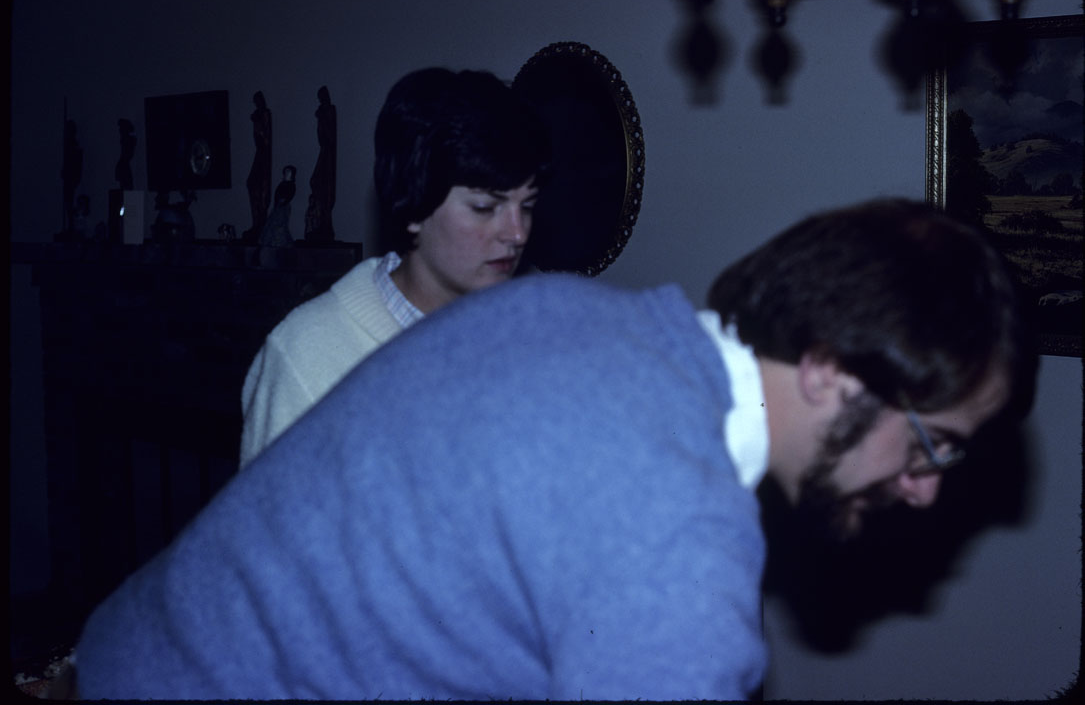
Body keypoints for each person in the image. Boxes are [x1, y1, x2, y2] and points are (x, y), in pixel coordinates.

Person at [73, 199, 1035, 700]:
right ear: (829, 369)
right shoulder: (678, 548)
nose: (923, 491)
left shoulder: (559, 306)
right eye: (931, 446)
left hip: (122, 654)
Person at [239, 67, 552, 466]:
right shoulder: (308, 358)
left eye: (527, 206)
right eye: (485, 207)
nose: (518, 233)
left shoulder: (530, 335)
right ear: (413, 206)